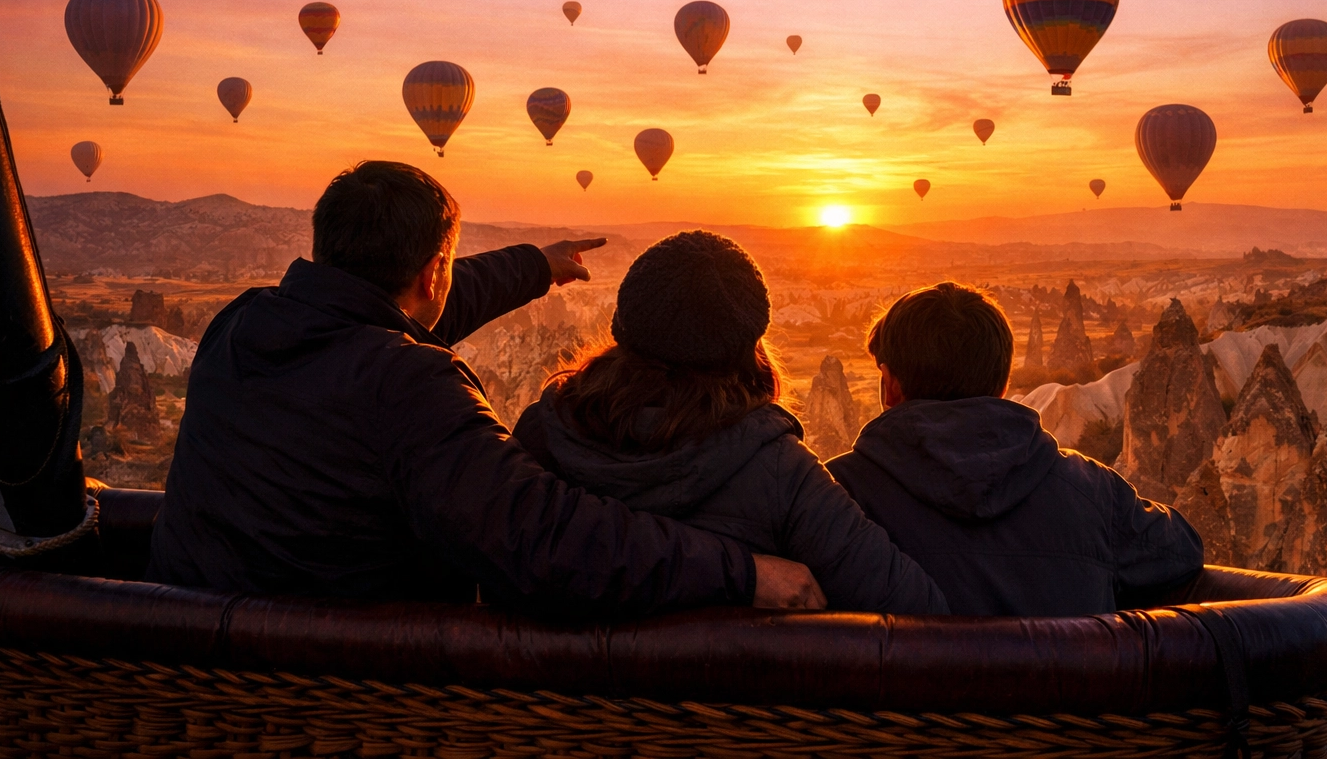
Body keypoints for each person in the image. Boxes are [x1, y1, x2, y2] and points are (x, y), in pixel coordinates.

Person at [148, 161, 824, 614]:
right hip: (346, 686)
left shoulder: (244, 323)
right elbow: (544, 536)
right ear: (431, 270)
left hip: (195, 653)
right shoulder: (410, 384)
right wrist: (745, 574)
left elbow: (406, 305)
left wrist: (537, 266)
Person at [513, 231, 948, 615]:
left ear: (627, 326)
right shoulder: (781, 473)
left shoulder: (544, 431)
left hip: (541, 706)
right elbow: (916, 612)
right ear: (747, 343)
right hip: (727, 708)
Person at [826, 282, 1203, 617]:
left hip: (896, 698)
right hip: (1065, 695)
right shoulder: (1092, 490)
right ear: (1004, 386)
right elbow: (1184, 552)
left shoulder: (832, 495)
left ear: (890, 385)